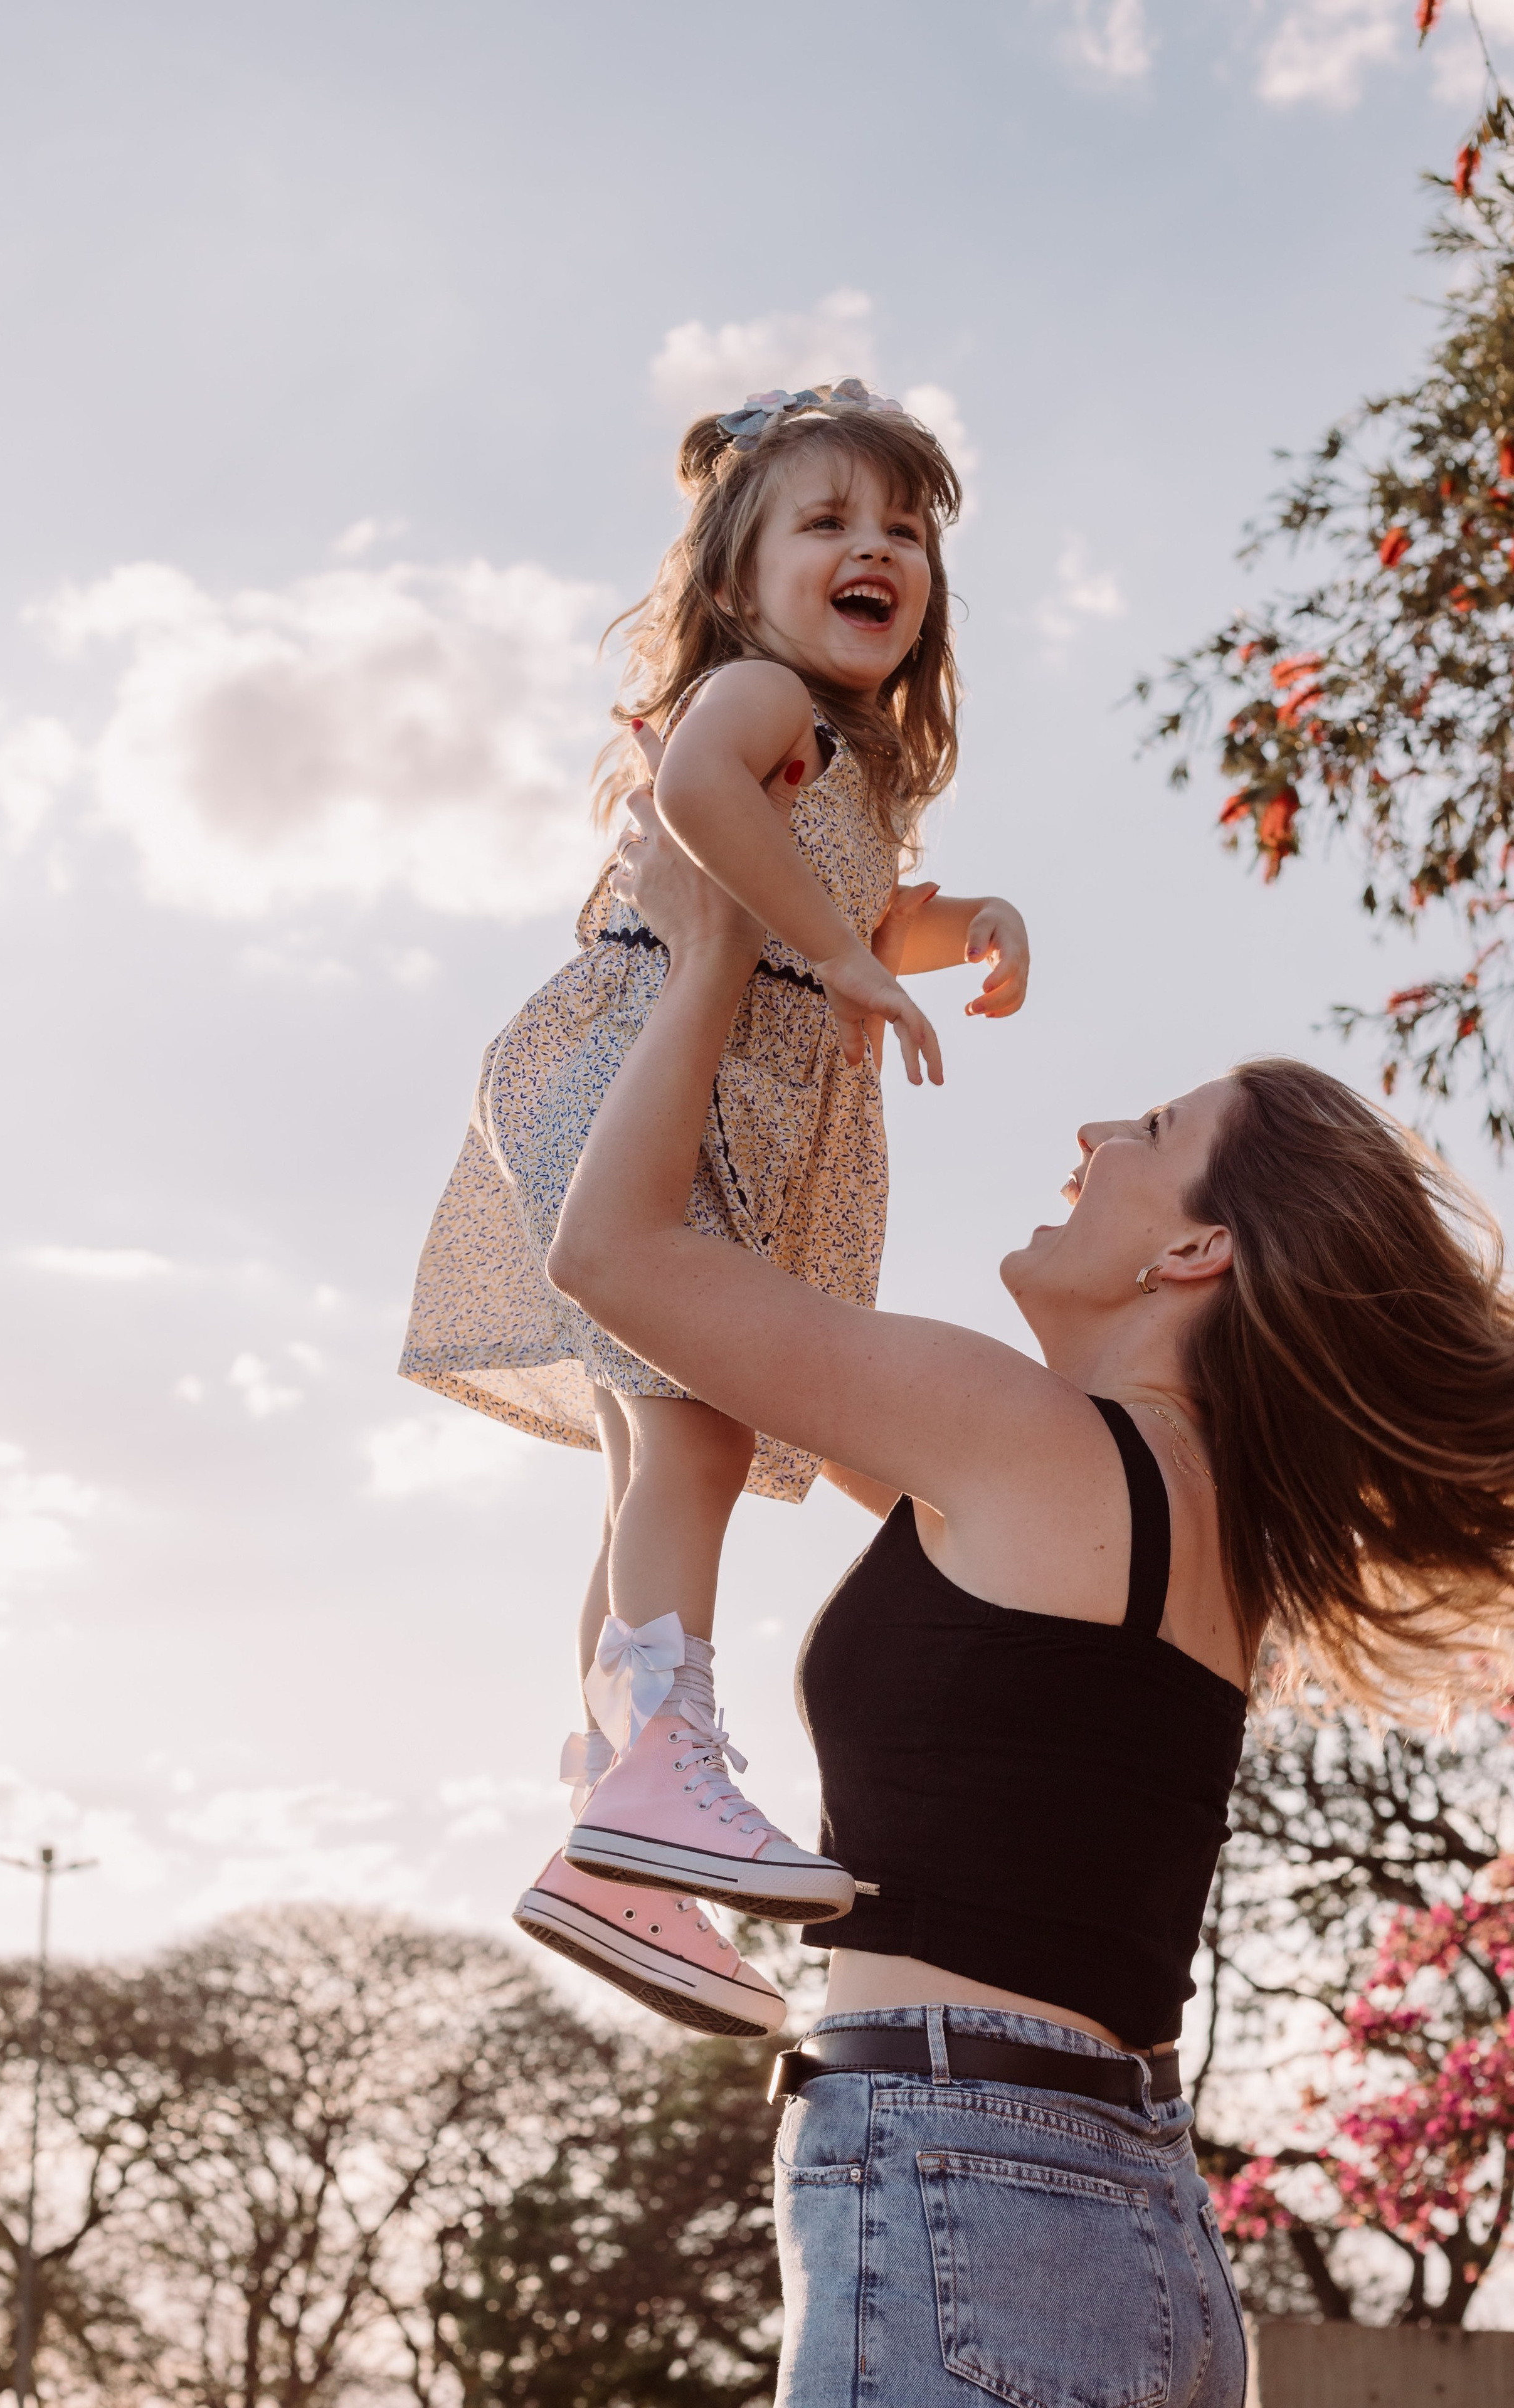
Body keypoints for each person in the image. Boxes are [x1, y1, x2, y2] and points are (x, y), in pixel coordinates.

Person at [545, 797, 1514, 2404]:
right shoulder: (1189, 1514)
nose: (1088, 1141)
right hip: (1104, 2221)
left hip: (969, 2197)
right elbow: (702, 1366)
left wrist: (716, 937)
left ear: (1196, 1246)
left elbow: (616, 1257)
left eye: (1143, 1129)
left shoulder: (1029, 1441)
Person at [400, 382, 1030, 2034]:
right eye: (827, 522)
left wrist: (957, 925)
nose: (875, 547)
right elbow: (696, 798)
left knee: (651, 1461)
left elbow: (867, 907)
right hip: (631, 1072)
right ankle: (661, 1775)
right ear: (739, 584)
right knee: (692, 1440)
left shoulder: (845, 759)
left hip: (667, 1096)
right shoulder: (752, 700)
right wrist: (829, 951)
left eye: (902, 530)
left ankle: (625, 1829)